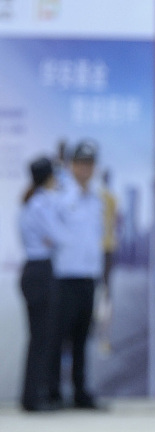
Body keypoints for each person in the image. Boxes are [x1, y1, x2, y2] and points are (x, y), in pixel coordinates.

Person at [50, 141, 106, 409]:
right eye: (81, 163)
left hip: (88, 277)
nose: (86, 169)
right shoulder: (60, 196)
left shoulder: (96, 198)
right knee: (58, 337)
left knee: (83, 338)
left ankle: (80, 391)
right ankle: (52, 391)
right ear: (71, 165)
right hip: (65, 277)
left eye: (90, 164)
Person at [18, 156, 62, 412]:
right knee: (41, 338)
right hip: (40, 271)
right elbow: (57, 236)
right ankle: (33, 397)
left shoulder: (30, 202)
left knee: (39, 337)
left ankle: (34, 395)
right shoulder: (41, 203)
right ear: (48, 177)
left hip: (33, 270)